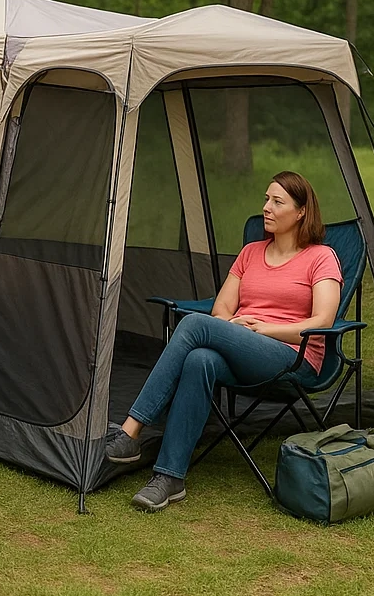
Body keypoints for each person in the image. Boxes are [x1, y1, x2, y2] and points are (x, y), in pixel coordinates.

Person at [105, 171, 342, 512]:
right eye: (265, 199)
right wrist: (235, 328)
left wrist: (261, 329)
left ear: (301, 211)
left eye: (278, 202)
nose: (267, 208)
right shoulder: (250, 253)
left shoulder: (321, 257)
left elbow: (323, 321)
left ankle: (131, 431)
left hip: (293, 357)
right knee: (199, 358)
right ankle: (170, 477)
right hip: (245, 348)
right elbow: (222, 309)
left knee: (194, 326)